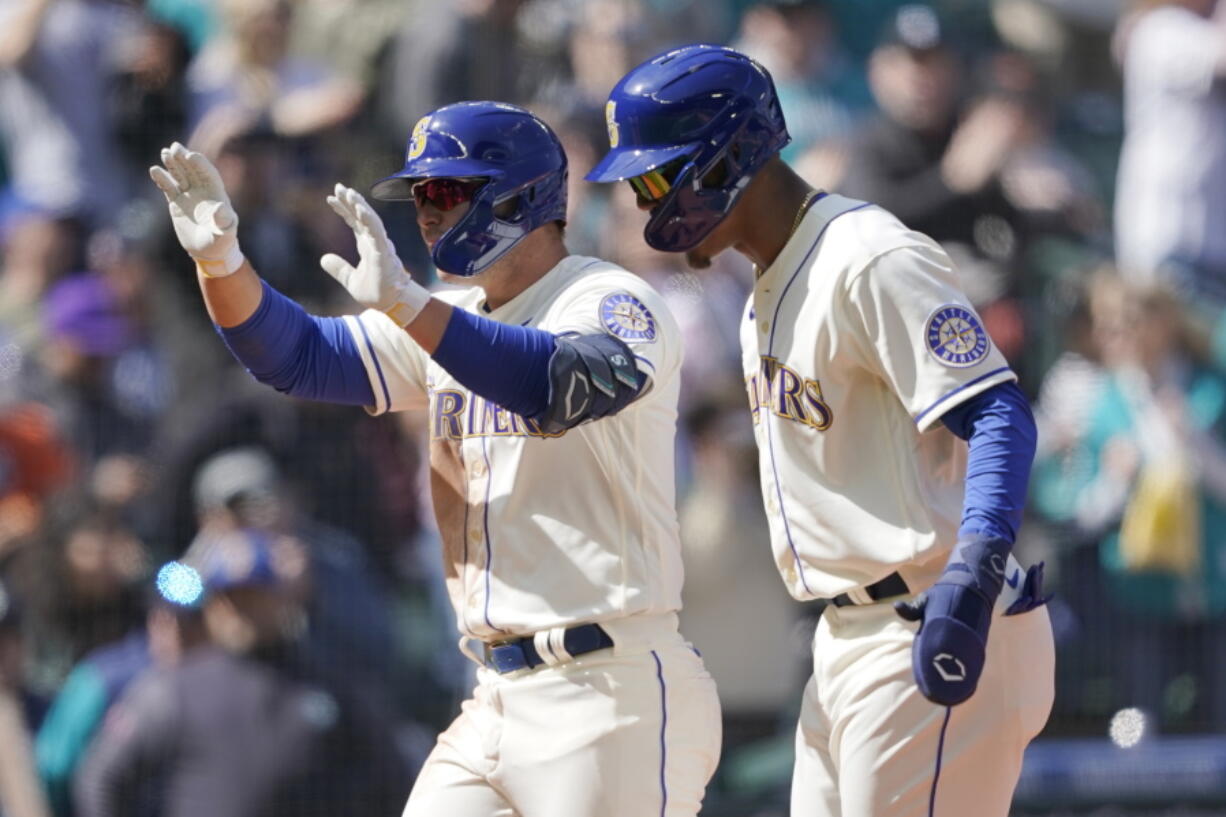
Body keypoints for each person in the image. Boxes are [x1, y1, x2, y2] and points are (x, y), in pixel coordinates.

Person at [147, 101, 720, 817]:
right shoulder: (451, 313)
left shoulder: (609, 298)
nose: (425, 212)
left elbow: (561, 384)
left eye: (446, 192)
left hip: (608, 689)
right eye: (418, 195)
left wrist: (412, 308)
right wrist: (221, 263)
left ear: (520, 194)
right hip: (494, 694)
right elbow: (295, 358)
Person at [587, 45, 1055, 816]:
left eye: (655, 176)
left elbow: (999, 411)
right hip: (848, 635)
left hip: (931, 616)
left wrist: (972, 576)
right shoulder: (765, 283)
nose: (642, 202)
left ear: (729, 157)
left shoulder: (865, 256)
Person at [74, 530, 406, 817]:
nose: (240, 611)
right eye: (228, 599)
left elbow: (393, 779)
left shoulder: (329, 684)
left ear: (280, 598)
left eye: (253, 596)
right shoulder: (177, 689)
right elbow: (101, 779)